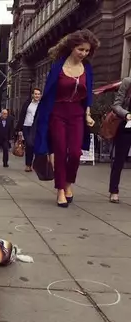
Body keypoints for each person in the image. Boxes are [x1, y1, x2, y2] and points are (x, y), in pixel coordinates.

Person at [33, 29, 100, 207]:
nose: (84, 54)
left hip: (77, 113)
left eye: (87, 51)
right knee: (61, 151)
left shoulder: (87, 68)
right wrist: (44, 118)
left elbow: (89, 93)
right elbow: (49, 93)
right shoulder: (58, 66)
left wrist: (88, 113)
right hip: (58, 113)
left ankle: (69, 183)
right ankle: (61, 189)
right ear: (72, 47)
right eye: (81, 49)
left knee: (76, 153)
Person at [109, 77, 131, 203]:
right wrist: (126, 114)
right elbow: (116, 105)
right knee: (119, 160)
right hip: (126, 126)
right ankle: (114, 190)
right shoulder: (127, 82)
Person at [16, 88, 42, 172]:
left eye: (38, 94)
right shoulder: (27, 104)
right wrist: (19, 129)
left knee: (37, 146)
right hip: (27, 127)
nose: (37, 95)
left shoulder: (42, 105)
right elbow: (22, 115)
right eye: (35, 94)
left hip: (37, 127)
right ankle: (28, 165)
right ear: (32, 95)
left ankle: (35, 164)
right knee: (29, 145)